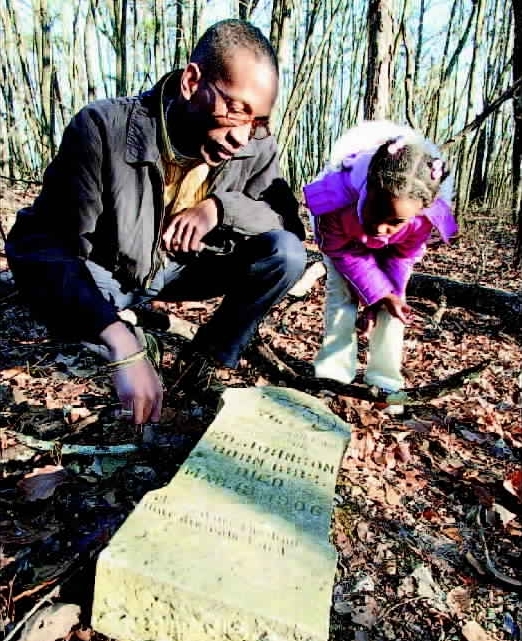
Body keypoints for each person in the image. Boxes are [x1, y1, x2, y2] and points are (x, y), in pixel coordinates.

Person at [6, 19, 306, 425]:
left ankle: (202, 360)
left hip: (185, 269)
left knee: (286, 254)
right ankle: (122, 325)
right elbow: (41, 245)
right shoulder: (102, 128)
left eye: (258, 121)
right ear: (191, 82)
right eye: (236, 110)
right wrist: (120, 341)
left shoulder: (255, 146)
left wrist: (220, 208)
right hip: (111, 274)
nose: (242, 136)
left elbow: (287, 222)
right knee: (77, 296)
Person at [303, 121, 457, 403]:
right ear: (366, 190)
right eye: (376, 210)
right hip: (345, 248)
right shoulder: (336, 204)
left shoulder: (420, 222)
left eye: (395, 221)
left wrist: (385, 298)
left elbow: (402, 259)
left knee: (395, 308)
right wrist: (376, 293)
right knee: (341, 298)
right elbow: (341, 252)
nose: (381, 227)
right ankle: (333, 374)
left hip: (393, 255)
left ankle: (385, 380)